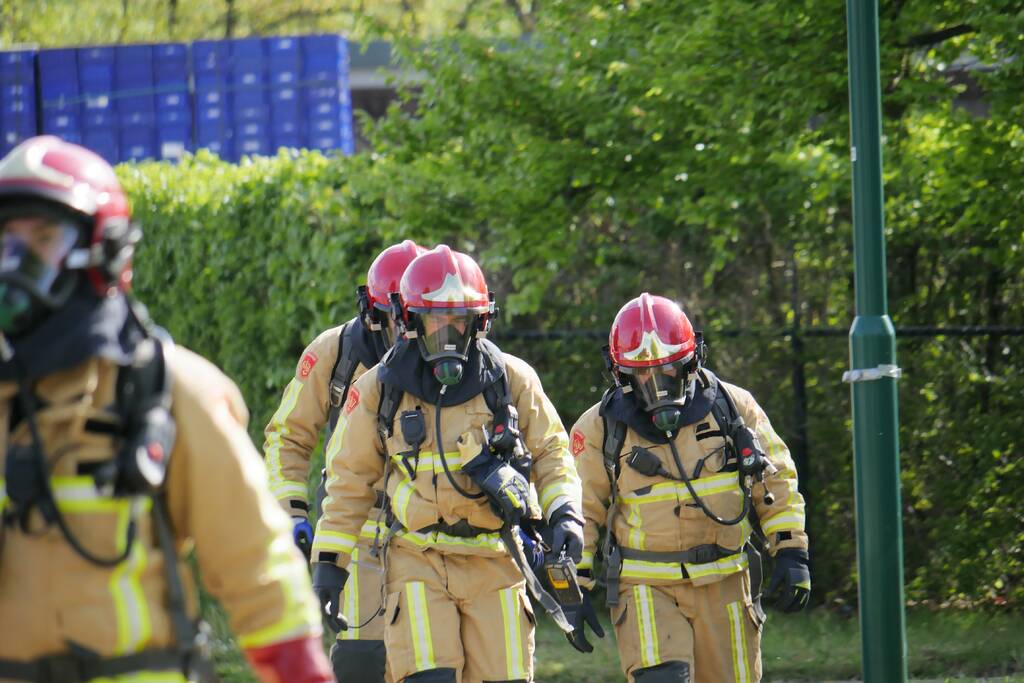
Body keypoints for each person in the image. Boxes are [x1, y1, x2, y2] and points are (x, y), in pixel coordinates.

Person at [0, 136, 332, 683]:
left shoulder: (169, 390)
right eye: (7, 241)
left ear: (103, 250)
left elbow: (255, 565)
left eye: (43, 237)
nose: (19, 262)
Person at [311, 245, 586, 683]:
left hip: (495, 561)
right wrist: (329, 566)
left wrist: (566, 515)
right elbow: (348, 483)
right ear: (411, 320)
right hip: (416, 559)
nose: (448, 334)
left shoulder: (510, 380)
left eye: (459, 321)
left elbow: (553, 453)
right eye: (436, 321)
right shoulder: (379, 389)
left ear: (480, 321)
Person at [571, 293, 810, 683]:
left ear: (691, 361)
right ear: (621, 373)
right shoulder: (598, 427)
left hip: (727, 582)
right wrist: (574, 587)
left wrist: (791, 550)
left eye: (667, 369)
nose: (655, 384)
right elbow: (582, 510)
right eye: (643, 373)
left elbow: (775, 478)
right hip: (646, 586)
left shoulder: (733, 408)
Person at [264, 239, 426, 682]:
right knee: (360, 661)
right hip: (356, 531)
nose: (407, 333)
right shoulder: (335, 353)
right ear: (372, 315)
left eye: (415, 318)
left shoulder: (450, 361)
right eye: (396, 320)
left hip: (429, 537)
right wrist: (293, 514)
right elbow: (288, 437)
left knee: (428, 664)